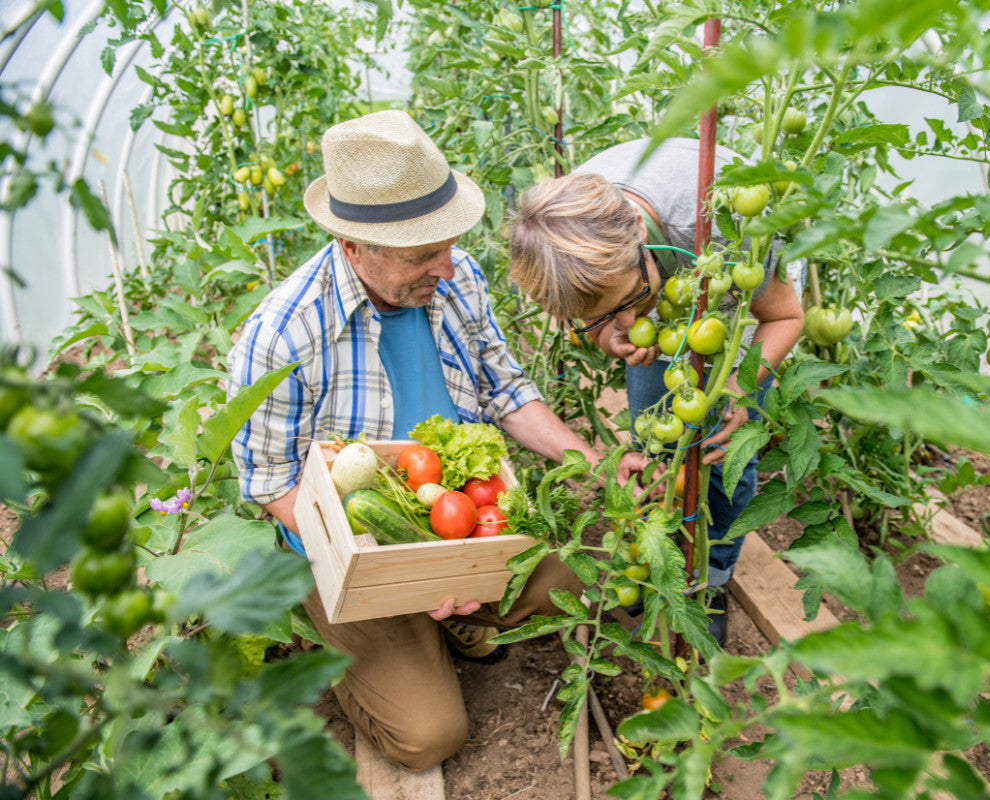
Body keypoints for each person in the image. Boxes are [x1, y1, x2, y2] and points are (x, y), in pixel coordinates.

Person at [227, 110, 646, 771]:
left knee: (583, 570)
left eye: (449, 244)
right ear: (351, 246)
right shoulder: (283, 335)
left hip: (463, 516)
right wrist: (394, 574)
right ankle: (350, 647)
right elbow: (274, 485)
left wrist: (592, 460)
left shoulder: (459, 278)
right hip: (357, 549)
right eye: (423, 254)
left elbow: (506, 390)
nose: (448, 268)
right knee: (428, 737)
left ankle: (455, 617)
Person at [508, 138, 806, 645]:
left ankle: (711, 578)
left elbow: (785, 316)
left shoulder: (729, 224)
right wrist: (609, 333)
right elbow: (598, 318)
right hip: (669, 295)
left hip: (741, 309)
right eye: (605, 312)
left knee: (726, 457)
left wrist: (737, 390)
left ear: (642, 239)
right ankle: (661, 561)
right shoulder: (563, 237)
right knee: (655, 446)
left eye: (628, 301)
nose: (628, 322)